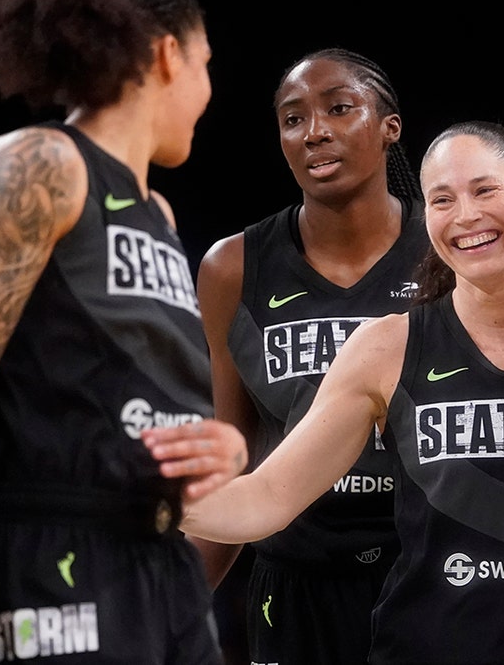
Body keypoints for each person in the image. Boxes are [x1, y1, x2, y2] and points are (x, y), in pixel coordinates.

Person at [0, 0, 245, 663]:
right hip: (53, 557)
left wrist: (225, 453)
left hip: (163, 569)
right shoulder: (41, 163)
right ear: (170, 55)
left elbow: (138, 395)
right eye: (207, 61)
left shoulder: (161, 216)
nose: (210, 88)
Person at [146, 121, 504, 664]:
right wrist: (138, 489)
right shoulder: (387, 346)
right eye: (442, 200)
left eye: (485, 190)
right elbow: (266, 500)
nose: (466, 215)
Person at [191, 47, 427, 664]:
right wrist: (168, 614)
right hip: (293, 586)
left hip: (431, 576)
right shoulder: (231, 269)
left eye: (339, 109)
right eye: (293, 119)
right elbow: (232, 457)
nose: (315, 130)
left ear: (388, 127)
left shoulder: (447, 251)